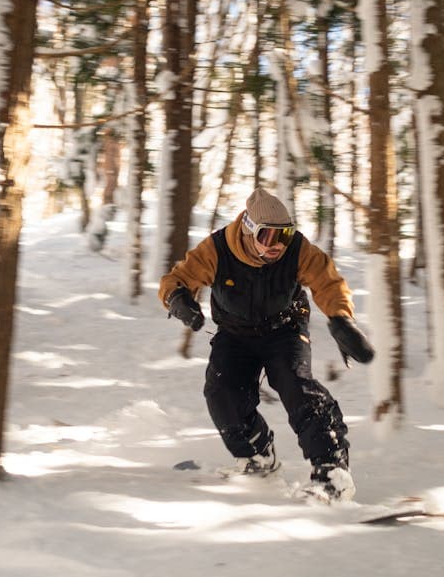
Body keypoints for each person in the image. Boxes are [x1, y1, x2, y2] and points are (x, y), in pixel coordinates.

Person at [158, 188, 375, 501]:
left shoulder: (297, 250)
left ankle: (332, 472)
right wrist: (178, 299)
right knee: (222, 391)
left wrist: (341, 319)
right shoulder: (219, 248)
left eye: (283, 235)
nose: (276, 245)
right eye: (267, 236)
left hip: (284, 329)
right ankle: (257, 458)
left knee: (296, 384)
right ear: (248, 230)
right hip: (235, 333)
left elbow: (328, 282)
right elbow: (178, 278)